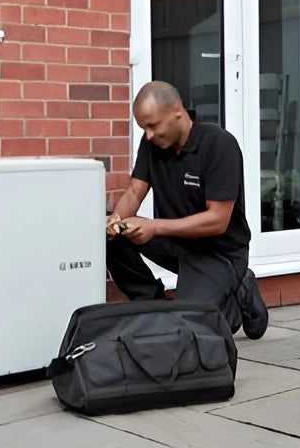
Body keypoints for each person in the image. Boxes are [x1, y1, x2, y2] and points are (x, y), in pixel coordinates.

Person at [106, 80, 268, 339]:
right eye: (143, 128)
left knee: (191, 330)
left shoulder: (219, 145)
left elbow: (218, 220)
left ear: (177, 113)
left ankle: (239, 287)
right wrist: (116, 220)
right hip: (176, 242)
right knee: (110, 238)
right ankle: (154, 303)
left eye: (152, 126)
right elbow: (135, 191)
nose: (147, 135)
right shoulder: (152, 145)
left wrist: (154, 226)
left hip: (219, 252)